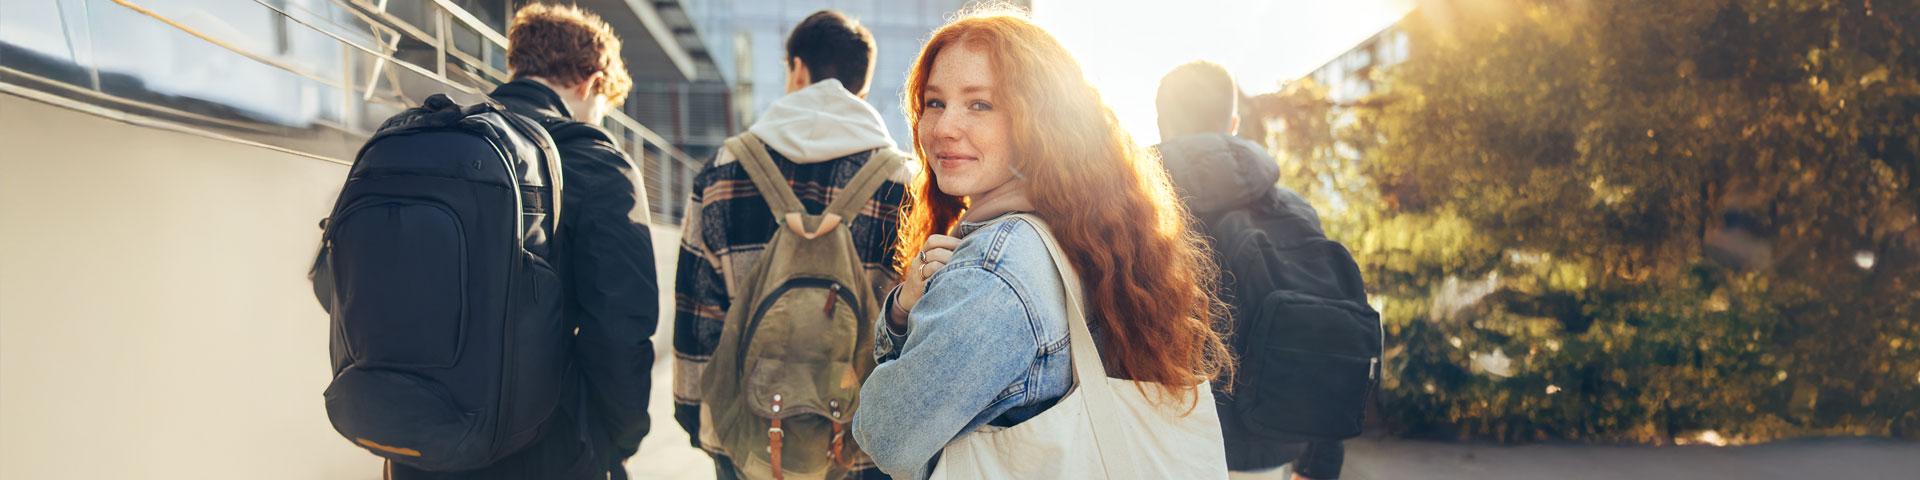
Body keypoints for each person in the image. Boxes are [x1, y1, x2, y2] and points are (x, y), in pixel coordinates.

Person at [851, 10, 1233, 480]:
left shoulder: (995, 272)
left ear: (1041, 120)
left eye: (980, 105)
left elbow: (885, 437)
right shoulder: (1082, 228)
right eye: (934, 102)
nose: (944, 127)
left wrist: (899, 319)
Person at [388, 3, 661, 479]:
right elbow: (621, 328)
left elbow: (340, 284)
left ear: (517, 66)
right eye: (604, 106)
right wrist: (617, 439)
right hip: (545, 450)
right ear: (592, 82)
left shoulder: (422, 138)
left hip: (418, 444)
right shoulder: (595, 161)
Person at [672, 10, 910, 480]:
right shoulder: (903, 181)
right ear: (859, 85)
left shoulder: (725, 168)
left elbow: (698, 312)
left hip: (751, 438)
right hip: (862, 446)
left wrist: (697, 418)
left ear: (797, 69)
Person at [1155, 61, 1349, 480]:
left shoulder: (1134, 212)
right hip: (1268, 445)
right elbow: (1329, 329)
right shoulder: (1293, 209)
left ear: (1161, 124)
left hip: (1162, 445)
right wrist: (1321, 463)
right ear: (1233, 122)